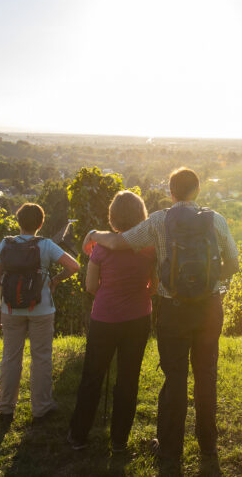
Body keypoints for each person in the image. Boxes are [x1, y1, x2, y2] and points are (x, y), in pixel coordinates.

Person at [86, 168, 239, 465]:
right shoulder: (216, 219)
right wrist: (205, 281)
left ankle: (170, 449)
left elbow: (118, 242)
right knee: (206, 374)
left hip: (173, 309)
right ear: (197, 191)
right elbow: (233, 262)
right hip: (209, 308)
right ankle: (208, 444)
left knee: (175, 377)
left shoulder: (158, 220)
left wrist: (93, 234)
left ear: (171, 193)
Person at [68, 191, 157, 453]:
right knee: (129, 379)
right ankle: (119, 440)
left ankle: (78, 436)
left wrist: (109, 295)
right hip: (138, 318)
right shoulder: (148, 248)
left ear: (113, 216)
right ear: (141, 215)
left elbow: (90, 286)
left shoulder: (102, 248)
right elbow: (154, 287)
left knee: (92, 376)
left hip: (104, 320)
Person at [0, 203, 80, 422]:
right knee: (41, 358)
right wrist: (56, 280)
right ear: (41, 224)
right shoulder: (46, 245)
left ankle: (5, 407)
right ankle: (41, 406)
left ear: (18, 221)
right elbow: (74, 266)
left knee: (11, 357)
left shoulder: (5, 244)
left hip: (10, 308)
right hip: (41, 309)